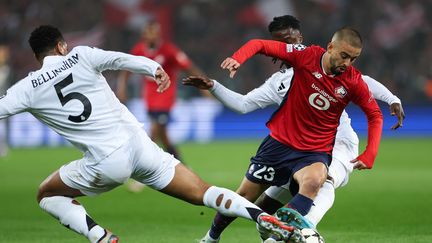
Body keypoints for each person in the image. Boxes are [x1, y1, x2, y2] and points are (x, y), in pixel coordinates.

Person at [0, 25, 299, 243]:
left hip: (107, 162)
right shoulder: (81, 56)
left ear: (38, 56)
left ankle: (101, 238)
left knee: (46, 193)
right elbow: (120, 59)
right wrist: (154, 69)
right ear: (62, 46)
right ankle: (261, 216)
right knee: (204, 191)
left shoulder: (27, 88)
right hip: (140, 146)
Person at [185, 15, 405, 243]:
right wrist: (217, 83)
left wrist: (390, 102)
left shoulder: (342, 72)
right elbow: (243, 103)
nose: (347, 63)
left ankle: (294, 235)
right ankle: (211, 238)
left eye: (353, 58)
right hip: (281, 143)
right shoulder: (285, 75)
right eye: (283, 41)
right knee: (251, 199)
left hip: (329, 146)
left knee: (320, 181)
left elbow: (369, 95)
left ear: (300, 38)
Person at [117, 19, 206, 193]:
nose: (151, 35)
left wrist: (204, 85)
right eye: (148, 32)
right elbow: (125, 69)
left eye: (154, 32)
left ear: (158, 34)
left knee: (153, 134)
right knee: (164, 138)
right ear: (144, 34)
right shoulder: (139, 50)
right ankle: (185, 169)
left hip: (165, 99)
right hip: (150, 99)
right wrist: (121, 87)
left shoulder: (168, 50)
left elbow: (189, 66)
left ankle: (143, 175)